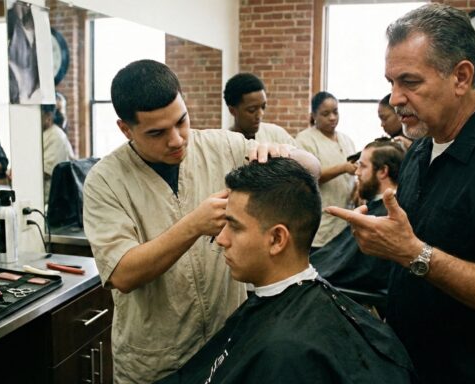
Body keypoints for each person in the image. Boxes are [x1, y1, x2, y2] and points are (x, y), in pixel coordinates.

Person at [326, 4, 475, 383]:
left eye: (410, 82)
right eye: (391, 83)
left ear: (461, 77)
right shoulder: (422, 148)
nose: (396, 98)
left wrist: (412, 253)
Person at [82, 59, 319, 383]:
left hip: (227, 348)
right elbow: (122, 273)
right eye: (157, 132)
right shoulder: (105, 181)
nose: (177, 139)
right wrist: (193, 225)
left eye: (181, 121)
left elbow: (311, 170)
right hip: (155, 362)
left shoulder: (222, 146)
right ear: (126, 128)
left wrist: (288, 155)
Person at [157, 158, 414, 383]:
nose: (221, 239)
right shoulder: (282, 317)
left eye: (233, 226)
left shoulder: (287, 351)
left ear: (277, 239)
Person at [310, 138, 404, 295]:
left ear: (382, 171)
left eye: (363, 166)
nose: (357, 172)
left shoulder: (384, 215)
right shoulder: (377, 208)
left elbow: (359, 269)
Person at [296, 91, 356, 249]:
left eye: (335, 112)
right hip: (321, 223)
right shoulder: (305, 139)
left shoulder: (346, 139)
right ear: (314, 115)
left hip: (345, 223)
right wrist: (343, 167)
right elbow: (309, 175)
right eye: (325, 113)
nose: (332, 117)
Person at [223, 73, 296, 145]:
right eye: (252, 110)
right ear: (232, 110)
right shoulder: (224, 144)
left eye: (263, 107)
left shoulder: (276, 135)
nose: (260, 114)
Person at [41, 104, 75, 202]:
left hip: (51, 199)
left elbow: (46, 171)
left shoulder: (56, 136)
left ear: (48, 116)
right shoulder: (43, 134)